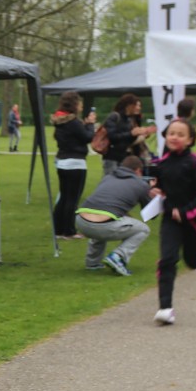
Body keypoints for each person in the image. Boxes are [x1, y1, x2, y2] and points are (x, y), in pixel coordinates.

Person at [151, 117, 196, 326]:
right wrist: (154, 191)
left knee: (192, 261)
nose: (174, 137)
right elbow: (156, 187)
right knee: (167, 260)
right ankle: (165, 308)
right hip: (170, 220)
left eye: (180, 134)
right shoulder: (160, 164)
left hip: (194, 221)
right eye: (171, 133)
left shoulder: (195, 162)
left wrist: (187, 213)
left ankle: (195, 258)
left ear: (190, 140)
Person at [74, 155, 154, 276]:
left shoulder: (108, 177)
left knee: (102, 219)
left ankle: (92, 263)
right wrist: (153, 195)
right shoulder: (140, 184)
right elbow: (151, 214)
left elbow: (110, 203)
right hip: (102, 225)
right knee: (143, 229)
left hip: (81, 220)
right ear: (138, 170)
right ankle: (118, 256)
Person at [51, 90, 93, 240]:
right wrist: (90, 125)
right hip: (76, 163)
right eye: (79, 102)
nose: (81, 105)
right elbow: (87, 137)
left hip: (62, 162)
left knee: (64, 197)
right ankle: (69, 231)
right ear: (74, 104)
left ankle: (58, 229)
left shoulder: (60, 121)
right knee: (72, 199)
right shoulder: (73, 122)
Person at [101, 93, 157, 176]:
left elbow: (129, 141)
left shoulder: (128, 120)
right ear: (129, 106)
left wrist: (138, 134)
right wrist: (131, 133)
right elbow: (112, 136)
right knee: (111, 180)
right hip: (112, 157)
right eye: (136, 105)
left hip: (123, 157)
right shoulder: (114, 116)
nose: (138, 108)